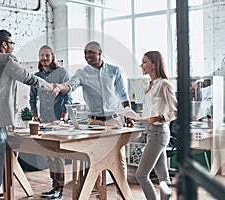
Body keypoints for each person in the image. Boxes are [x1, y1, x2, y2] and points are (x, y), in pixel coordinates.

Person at [0, 29, 54, 200]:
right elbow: (29, 78)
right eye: (11, 43)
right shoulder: (6, 61)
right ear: (4, 45)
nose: (13, 47)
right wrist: (52, 87)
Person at [52, 41, 133, 195]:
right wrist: (59, 87)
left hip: (113, 121)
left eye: (91, 52)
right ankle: (96, 192)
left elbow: (123, 95)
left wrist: (129, 116)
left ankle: (122, 193)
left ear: (99, 52)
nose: (87, 56)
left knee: (118, 159)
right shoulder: (82, 73)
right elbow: (70, 85)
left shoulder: (114, 71)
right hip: (94, 122)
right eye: (85, 53)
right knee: (93, 158)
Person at [29, 45, 72, 200]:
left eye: (47, 55)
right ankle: (54, 186)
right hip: (44, 119)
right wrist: (35, 114)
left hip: (57, 119)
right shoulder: (36, 76)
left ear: (52, 56)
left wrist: (64, 115)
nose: (44, 58)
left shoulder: (62, 72)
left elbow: (68, 95)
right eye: (41, 55)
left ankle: (60, 189)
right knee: (49, 156)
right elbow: (32, 97)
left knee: (57, 155)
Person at [135, 51, 177, 200]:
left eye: (145, 61)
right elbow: (151, 112)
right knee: (163, 176)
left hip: (159, 133)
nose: (141, 65)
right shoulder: (150, 85)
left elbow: (175, 111)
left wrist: (160, 117)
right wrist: (139, 118)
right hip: (152, 132)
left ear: (154, 64)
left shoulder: (164, 84)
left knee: (141, 175)